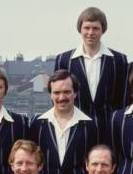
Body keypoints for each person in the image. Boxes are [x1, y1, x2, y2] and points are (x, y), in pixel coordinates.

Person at [55, 7, 128, 145]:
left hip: (110, 129)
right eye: (86, 28)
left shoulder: (119, 60)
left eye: (95, 28)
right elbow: (57, 96)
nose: (90, 33)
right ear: (80, 29)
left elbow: (123, 99)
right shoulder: (64, 60)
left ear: (102, 30)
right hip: (75, 127)